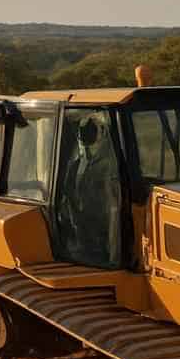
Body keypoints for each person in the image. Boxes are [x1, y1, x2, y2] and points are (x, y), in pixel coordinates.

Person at [58, 113, 120, 266]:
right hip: (84, 230)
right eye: (81, 130)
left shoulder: (109, 164)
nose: (83, 134)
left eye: (90, 129)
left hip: (104, 230)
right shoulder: (77, 163)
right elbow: (69, 195)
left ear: (102, 132)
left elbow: (114, 207)